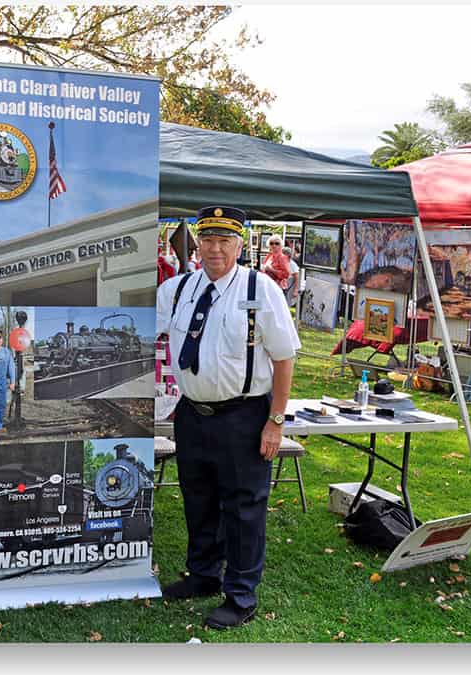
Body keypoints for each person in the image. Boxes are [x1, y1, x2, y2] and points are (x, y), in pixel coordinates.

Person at [156, 205, 300, 630]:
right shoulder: (178, 290)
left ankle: (240, 595)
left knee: (243, 508)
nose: (215, 249)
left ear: (240, 244)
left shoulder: (261, 289)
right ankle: (203, 575)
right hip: (193, 414)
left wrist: (276, 421)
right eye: (208, 239)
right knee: (198, 499)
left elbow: (285, 355)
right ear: (196, 243)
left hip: (243, 414)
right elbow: (145, 333)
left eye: (224, 240)